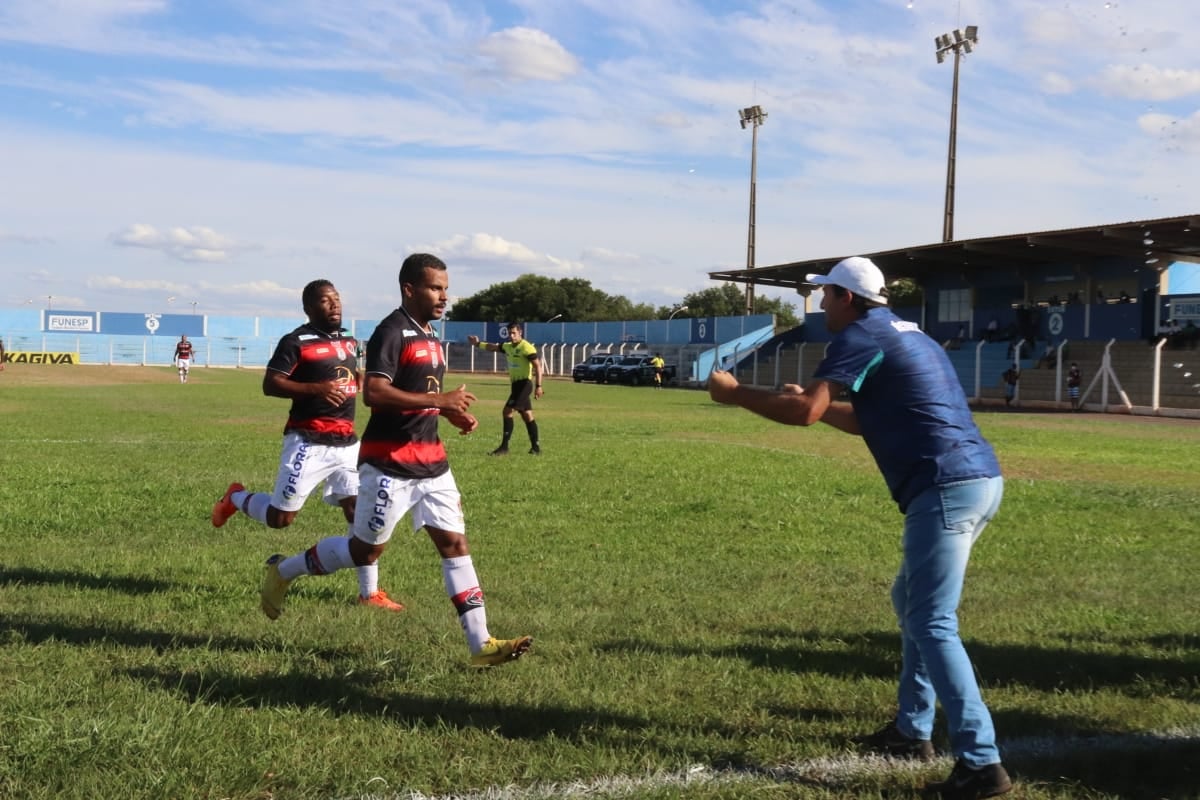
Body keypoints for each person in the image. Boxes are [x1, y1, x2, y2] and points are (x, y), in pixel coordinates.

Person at [708, 256, 1011, 800]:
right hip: (974, 479)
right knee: (913, 604)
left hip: (943, 485)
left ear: (848, 298)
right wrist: (819, 407)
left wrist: (736, 395)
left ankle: (981, 764)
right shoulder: (909, 334)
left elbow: (804, 415)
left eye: (826, 295)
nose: (821, 305)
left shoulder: (859, 335)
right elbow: (853, 416)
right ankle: (910, 730)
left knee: (932, 620)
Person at [258, 254, 532, 668]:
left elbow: (419, 393)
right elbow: (376, 394)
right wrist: (439, 400)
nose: (444, 296)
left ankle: (481, 644)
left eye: (445, 287)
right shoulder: (391, 332)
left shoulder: (431, 335)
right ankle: (284, 571)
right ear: (410, 289)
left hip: (432, 461)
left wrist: (447, 412)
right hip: (388, 463)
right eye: (435, 288)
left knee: (455, 544)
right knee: (365, 551)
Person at [211, 280, 401, 611]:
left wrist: (359, 382)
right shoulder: (296, 341)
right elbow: (271, 384)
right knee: (280, 518)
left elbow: (350, 373)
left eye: (337, 299)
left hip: (346, 443)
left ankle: (369, 593)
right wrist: (316, 388)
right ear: (309, 308)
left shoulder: (349, 341)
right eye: (325, 301)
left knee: (358, 513)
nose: (334, 305)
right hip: (307, 441)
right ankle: (235, 497)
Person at [467, 323, 544, 455]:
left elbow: (538, 366)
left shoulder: (527, 347)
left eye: (514, 333)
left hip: (525, 384)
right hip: (515, 385)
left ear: (520, 333)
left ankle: (504, 447)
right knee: (527, 415)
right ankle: (536, 448)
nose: (511, 336)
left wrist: (538, 386)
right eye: (510, 333)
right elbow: (494, 347)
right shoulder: (508, 347)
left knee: (507, 411)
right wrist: (478, 343)